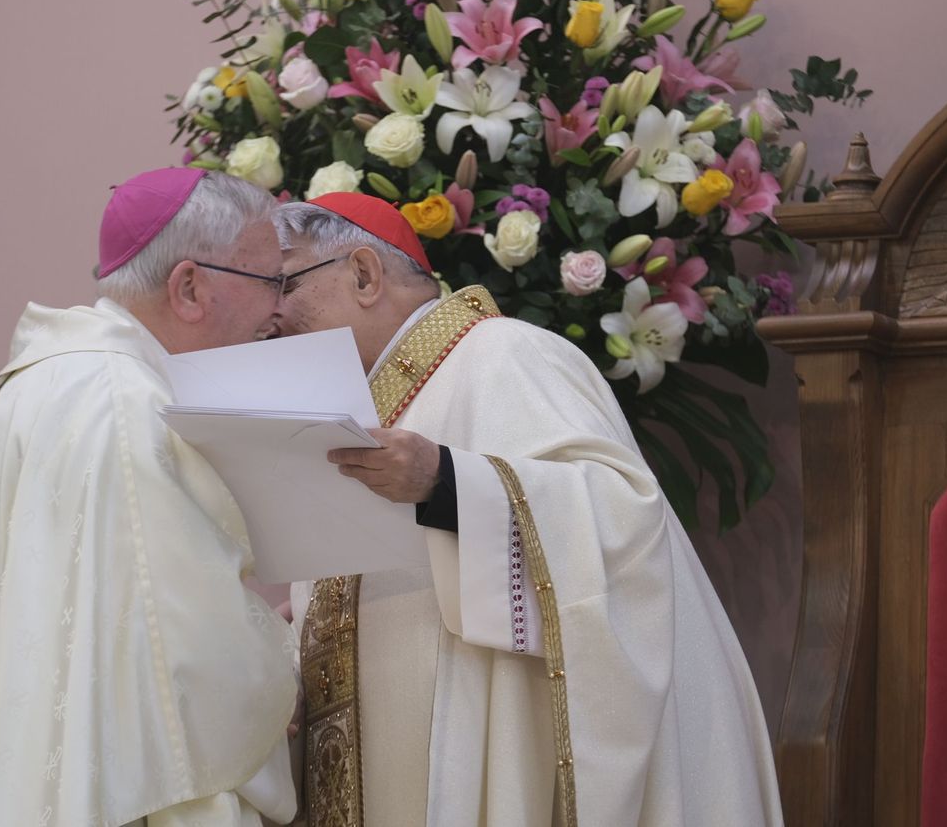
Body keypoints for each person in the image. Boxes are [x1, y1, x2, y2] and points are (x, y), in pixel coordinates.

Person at [273, 194, 784, 827]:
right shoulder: (366, 407)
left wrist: (446, 480)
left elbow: (620, 521)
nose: (270, 313)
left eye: (283, 283)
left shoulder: (504, 355)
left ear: (363, 274)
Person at [0, 169, 299, 827]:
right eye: (271, 283)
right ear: (189, 286)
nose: (279, 311)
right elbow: (191, 673)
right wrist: (284, 651)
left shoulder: (38, 381)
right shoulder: (132, 407)